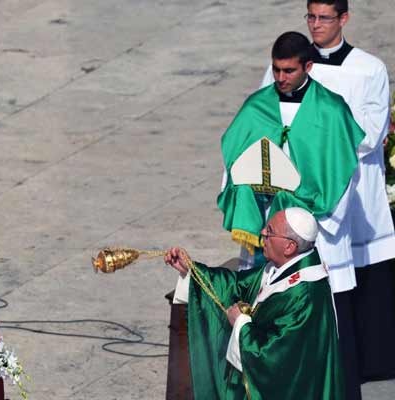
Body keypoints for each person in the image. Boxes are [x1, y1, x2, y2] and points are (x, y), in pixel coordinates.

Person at [261, 1, 395, 397]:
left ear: (343, 19)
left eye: (324, 18)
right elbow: (263, 118)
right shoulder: (288, 64)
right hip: (296, 194)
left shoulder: (368, 69)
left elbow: (371, 133)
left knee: (344, 291)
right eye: (311, 17)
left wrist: (322, 140)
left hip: (346, 192)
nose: (316, 25)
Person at [216, 31, 364, 267]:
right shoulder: (256, 107)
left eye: (289, 71)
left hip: (313, 218)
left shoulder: (331, 110)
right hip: (266, 217)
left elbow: (345, 168)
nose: (280, 77)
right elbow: (234, 162)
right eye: (276, 69)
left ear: (308, 66)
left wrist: (322, 219)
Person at [166, 208, 344, 399]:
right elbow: (236, 285)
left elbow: (274, 357)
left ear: (289, 247)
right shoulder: (280, 268)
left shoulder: (306, 295)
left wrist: (241, 324)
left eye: (270, 230)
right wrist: (192, 270)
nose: (262, 233)